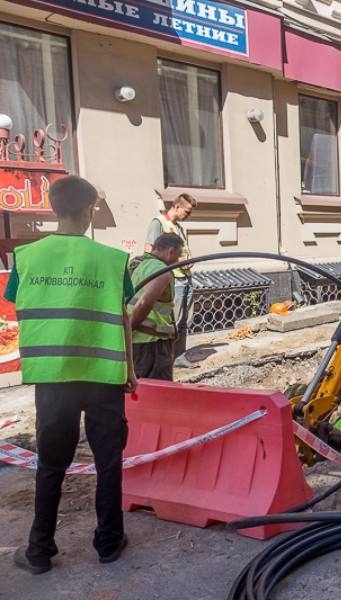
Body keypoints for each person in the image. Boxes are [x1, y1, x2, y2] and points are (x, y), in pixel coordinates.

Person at [5, 175, 137, 574]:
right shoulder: (113, 260)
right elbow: (123, 317)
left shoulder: (27, 258)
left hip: (53, 377)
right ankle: (109, 544)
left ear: (53, 208)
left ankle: (39, 551)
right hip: (103, 374)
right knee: (108, 461)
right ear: (88, 210)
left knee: (51, 464)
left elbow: (16, 303)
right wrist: (130, 370)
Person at [144, 193, 197, 368]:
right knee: (172, 320)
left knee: (184, 322)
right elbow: (149, 252)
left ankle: (180, 356)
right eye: (187, 212)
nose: (188, 216)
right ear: (176, 206)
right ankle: (168, 356)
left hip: (186, 279)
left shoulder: (179, 227)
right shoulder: (158, 223)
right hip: (172, 281)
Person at [128, 233, 185, 381]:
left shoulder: (139, 264)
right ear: (170, 251)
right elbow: (144, 303)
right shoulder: (161, 270)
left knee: (140, 388)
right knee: (159, 391)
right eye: (177, 256)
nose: (177, 261)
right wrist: (128, 330)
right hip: (152, 344)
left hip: (137, 342)